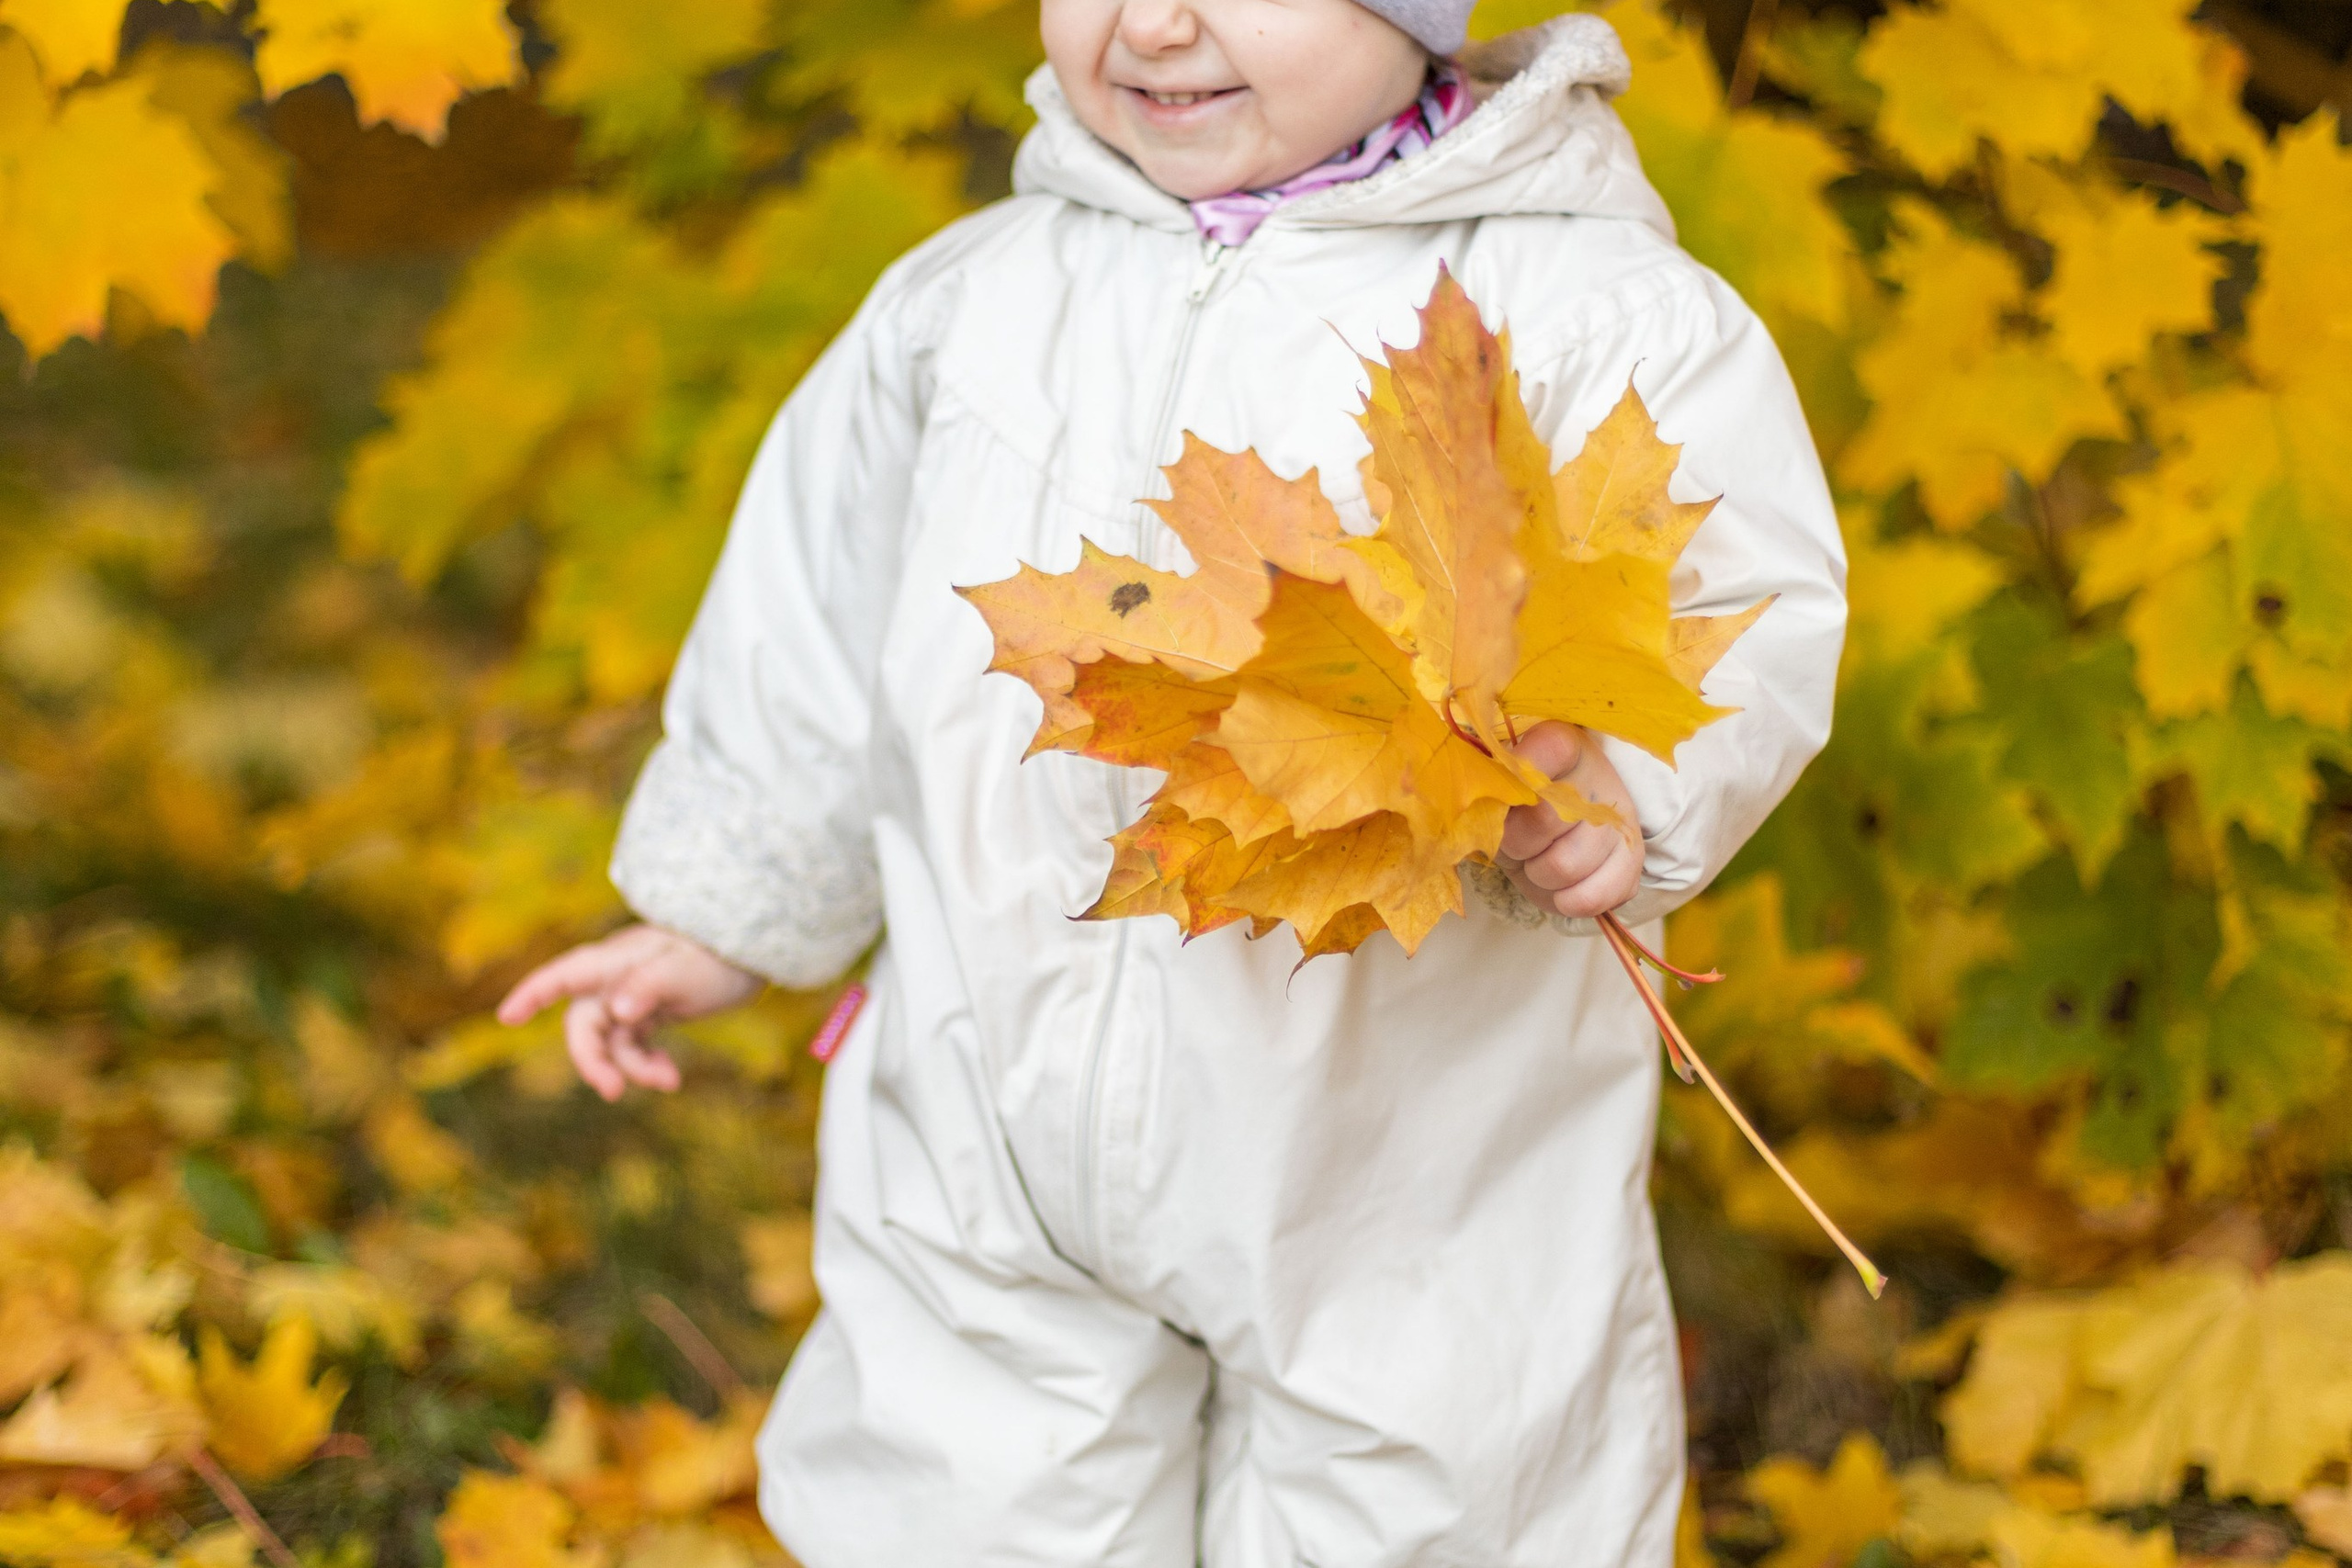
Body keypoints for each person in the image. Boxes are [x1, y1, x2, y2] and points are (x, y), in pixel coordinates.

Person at [498, 0, 1846, 1560]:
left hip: (1395, 1138)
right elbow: (813, 612)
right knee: (959, 1483)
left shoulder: (1587, 314)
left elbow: (1728, 604)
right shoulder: (975, 302)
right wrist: (727, 905)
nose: (1152, 22)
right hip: (988, 1102)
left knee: (1437, 1480)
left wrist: (1621, 777)